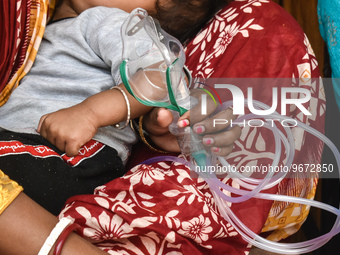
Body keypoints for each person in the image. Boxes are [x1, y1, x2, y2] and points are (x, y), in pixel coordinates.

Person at [0, 0, 234, 216]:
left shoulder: (114, 22)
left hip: (67, 156)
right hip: (25, 147)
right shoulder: (37, 31)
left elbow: (163, 78)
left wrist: (90, 113)